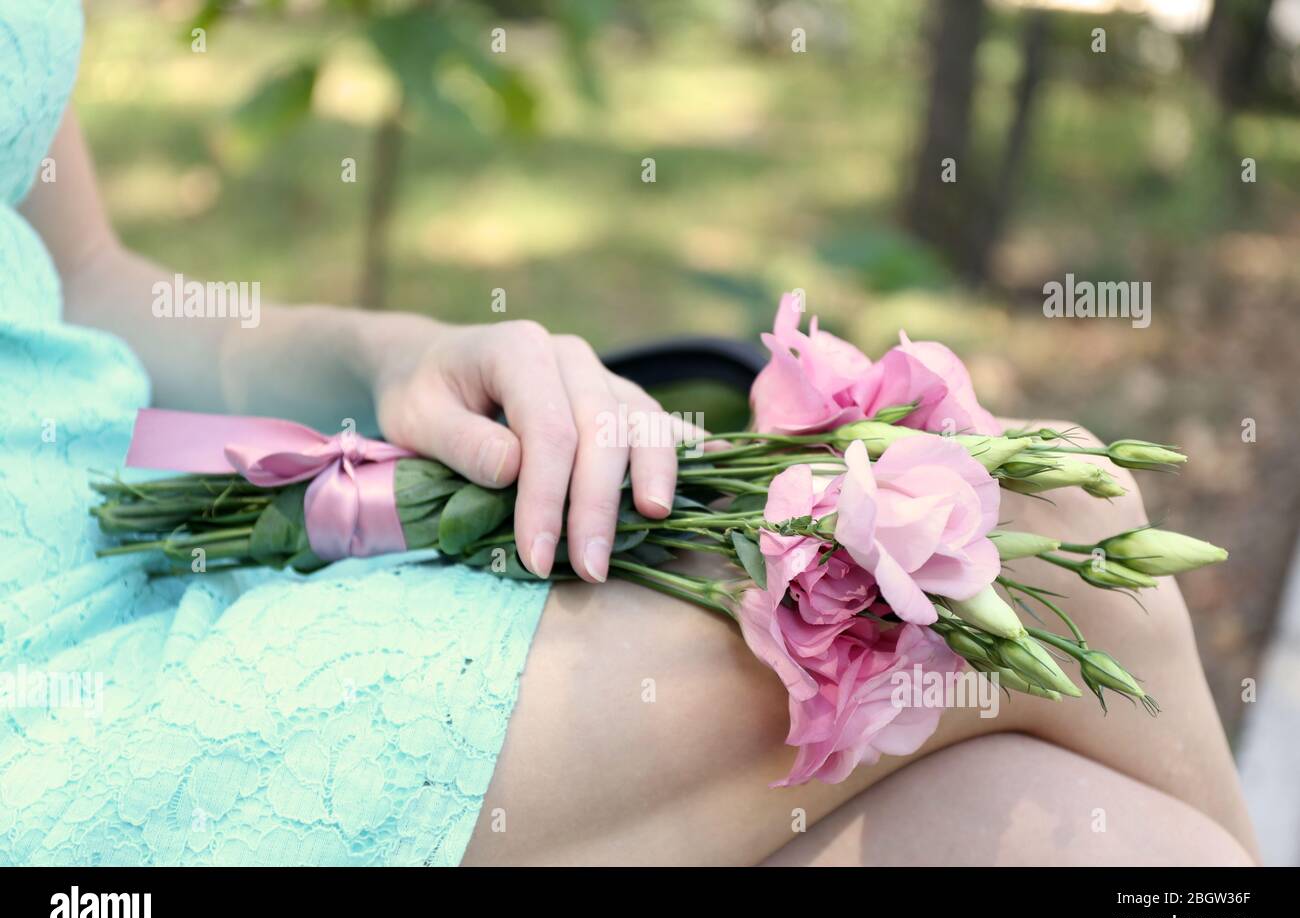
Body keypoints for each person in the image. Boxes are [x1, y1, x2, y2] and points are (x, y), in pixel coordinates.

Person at [1, 1, 1255, 865]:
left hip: (157, 565)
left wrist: (398, 354)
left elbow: (88, 281)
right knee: (1045, 538)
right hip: (52, 729)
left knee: (1113, 847)